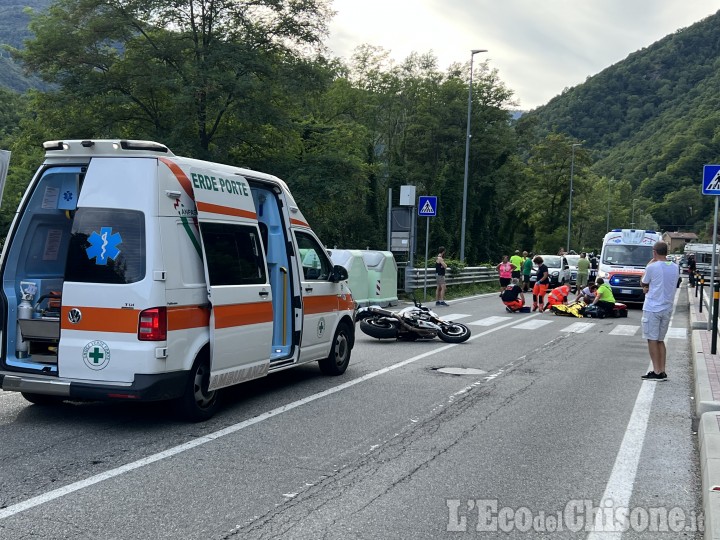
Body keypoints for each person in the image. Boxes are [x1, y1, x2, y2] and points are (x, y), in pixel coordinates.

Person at [640, 241, 680, 381]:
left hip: (653, 308)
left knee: (652, 339)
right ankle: (662, 370)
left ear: (654, 252)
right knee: (660, 340)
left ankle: (656, 371)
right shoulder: (676, 267)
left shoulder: (652, 266)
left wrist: (648, 266)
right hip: (667, 307)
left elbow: (644, 282)